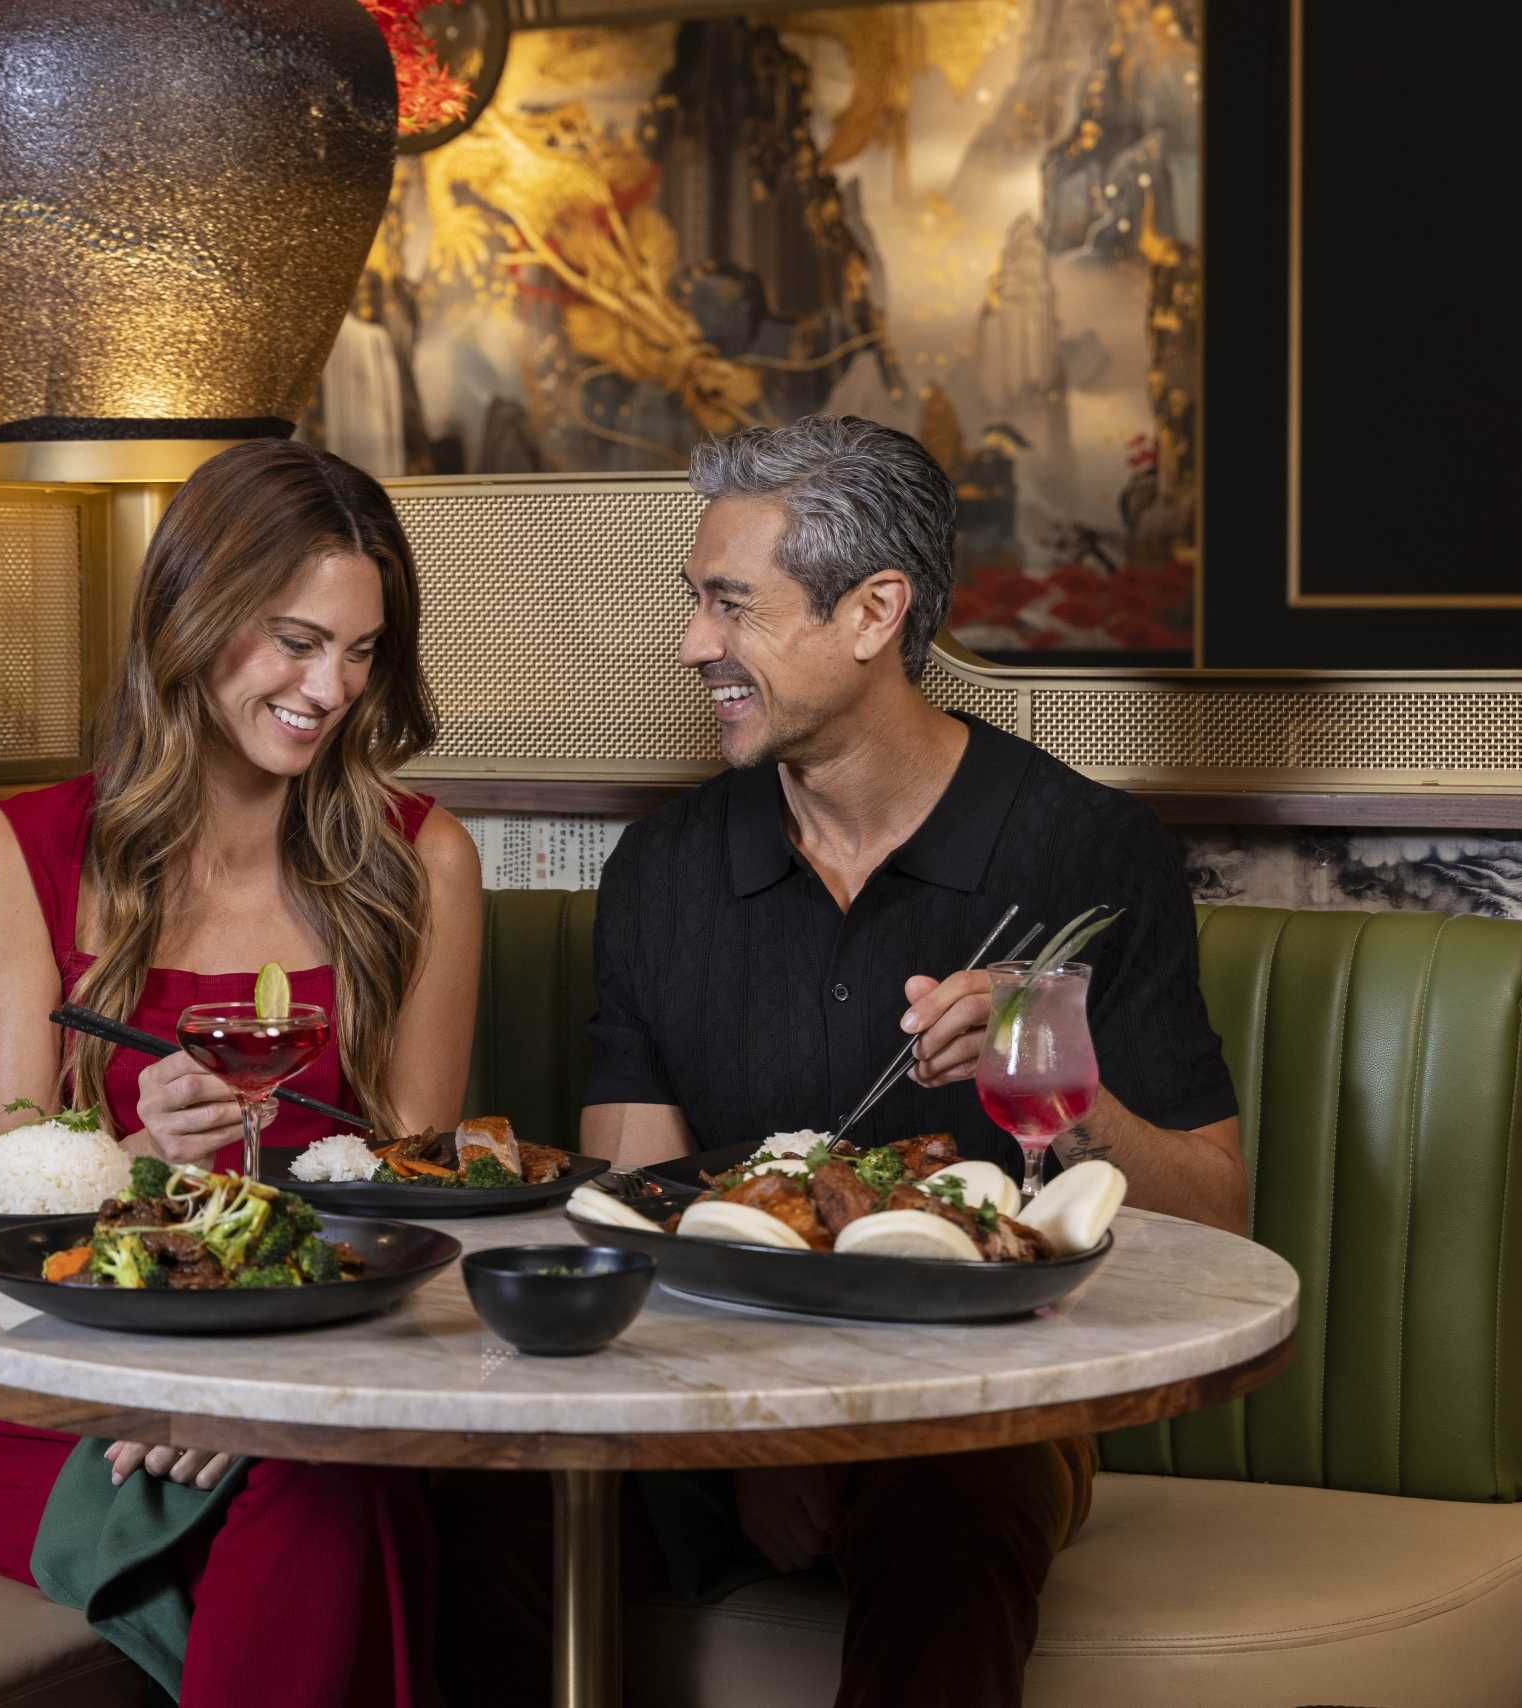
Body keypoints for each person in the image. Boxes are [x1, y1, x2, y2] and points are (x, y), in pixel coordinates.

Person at [439, 415, 1244, 1708]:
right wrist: (750, 1438)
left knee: (954, 1505)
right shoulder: (667, 872)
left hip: (984, 1414)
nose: (695, 644)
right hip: (702, 1411)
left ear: (874, 614)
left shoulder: (1084, 856)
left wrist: (1056, 1077)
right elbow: (630, 1215)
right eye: (695, 604)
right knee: (472, 1524)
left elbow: (1217, 1210)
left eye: (732, 607)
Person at [0, 438, 483, 1707]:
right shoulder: (20, 857)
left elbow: (401, 1200)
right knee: (343, 1491)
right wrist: (144, 1157)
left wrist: (252, 1387)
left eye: (360, 651)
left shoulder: (419, 861)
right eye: (294, 640)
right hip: (73, 1386)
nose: (329, 686)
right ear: (194, 614)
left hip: (322, 1363)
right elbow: (17, 1210)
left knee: (337, 1472)